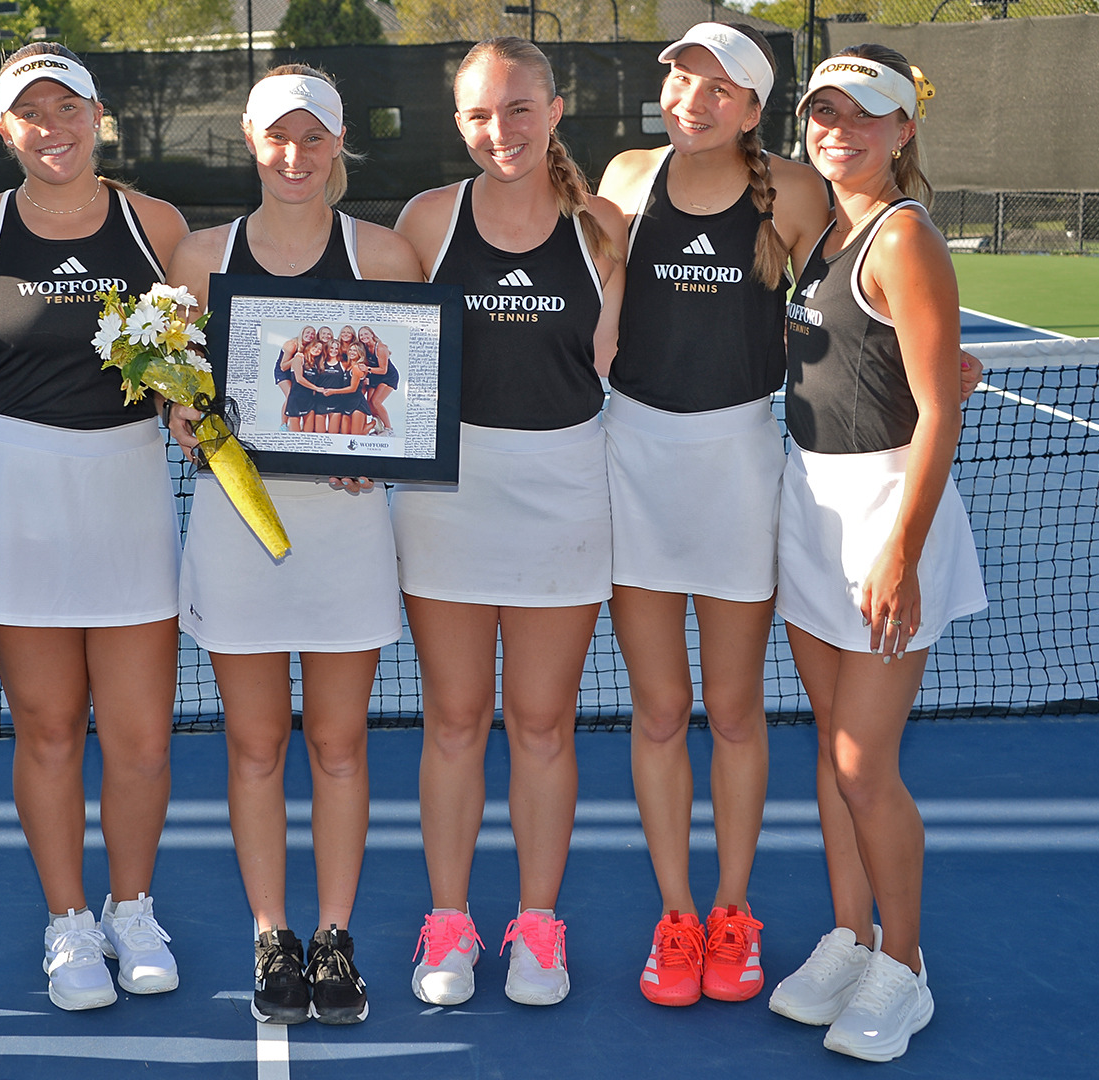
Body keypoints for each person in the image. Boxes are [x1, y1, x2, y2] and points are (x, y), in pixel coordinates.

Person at [0, 42, 189, 1012]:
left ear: (96, 114)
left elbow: (192, 366)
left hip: (125, 489)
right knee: (46, 727)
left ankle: (131, 908)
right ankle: (69, 924)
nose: (53, 128)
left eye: (66, 109)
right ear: (6, 131)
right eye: (31, 114)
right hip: (11, 492)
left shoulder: (155, 224)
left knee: (142, 737)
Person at [165, 63, 424, 1026]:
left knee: (341, 742)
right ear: (250, 142)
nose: (294, 155)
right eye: (278, 136)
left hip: (347, 531)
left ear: (338, 146)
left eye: (313, 137)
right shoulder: (198, 258)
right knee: (256, 742)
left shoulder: (387, 255)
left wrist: (380, 448)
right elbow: (176, 391)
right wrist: (182, 419)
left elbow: (408, 389)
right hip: (237, 532)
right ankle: (273, 932)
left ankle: (336, 937)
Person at [595, 23, 839, 1008]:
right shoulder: (626, 175)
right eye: (681, 81)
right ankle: (676, 915)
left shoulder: (790, 189)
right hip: (632, 459)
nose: (691, 100)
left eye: (716, 88)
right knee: (659, 712)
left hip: (739, 461)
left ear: (750, 107)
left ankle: (734, 913)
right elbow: (583, 292)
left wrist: (932, 350)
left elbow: (847, 301)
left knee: (734, 712)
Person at [391, 36, 626, 1008]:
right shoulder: (426, 222)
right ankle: (449, 925)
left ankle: (538, 927)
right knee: (453, 721)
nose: (503, 131)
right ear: (460, 125)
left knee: (540, 723)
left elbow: (632, 363)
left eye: (519, 109)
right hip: (447, 495)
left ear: (555, 109)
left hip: (565, 488)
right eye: (482, 116)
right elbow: (386, 362)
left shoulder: (602, 227)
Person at [767, 46, 984, 1063]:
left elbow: (939, 412)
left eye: (864, 116)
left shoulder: (903, 238)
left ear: (903, 131)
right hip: (809, 507)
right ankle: (850, 937)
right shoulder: (824, 229)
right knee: (829, 750)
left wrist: (902, 551)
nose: (838, 131)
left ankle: (904, 966)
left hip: (888, 518)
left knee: (865, 766)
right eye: (823, 114)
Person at [356, 327, 397, 434]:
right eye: (361, 335)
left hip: (387, 376)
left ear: (372, 334)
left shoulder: (380, 348)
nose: (364, 337)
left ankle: (389, 429)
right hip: (374, 376)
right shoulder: (364, 347)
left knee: (376, 401)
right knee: (369, 402)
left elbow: (383, 370)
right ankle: (379, 426)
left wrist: (367, 369)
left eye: (366, 334)